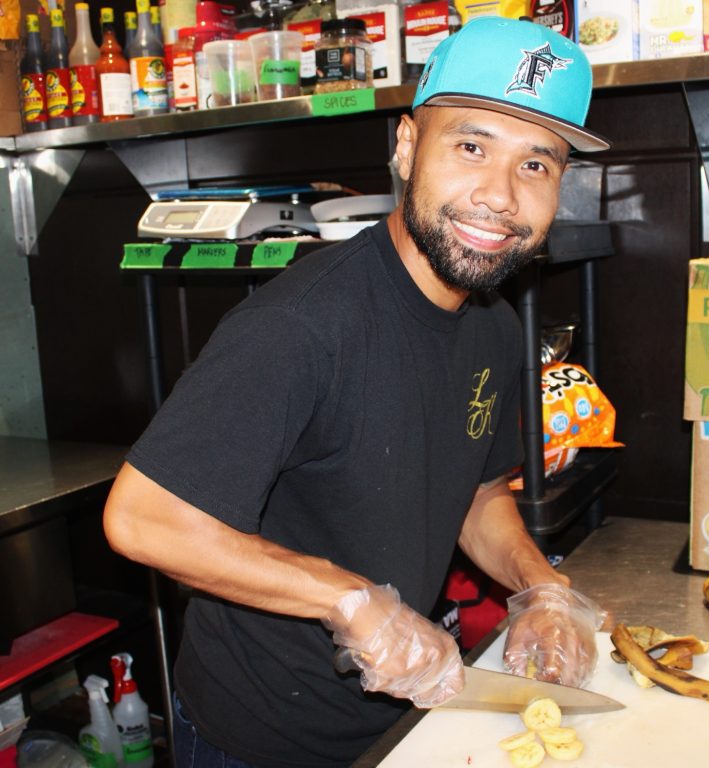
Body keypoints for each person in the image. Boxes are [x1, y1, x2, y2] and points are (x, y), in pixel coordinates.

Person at [103, 15, 611, 768]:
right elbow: (143, 521)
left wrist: (540, 590)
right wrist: (352, 601)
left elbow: (476, 491)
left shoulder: (496, 325)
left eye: (536, 165)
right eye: (471, 146)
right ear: (407, 148)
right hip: (261, 737)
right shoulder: (302, 326)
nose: (500, 196)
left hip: (401, 719)